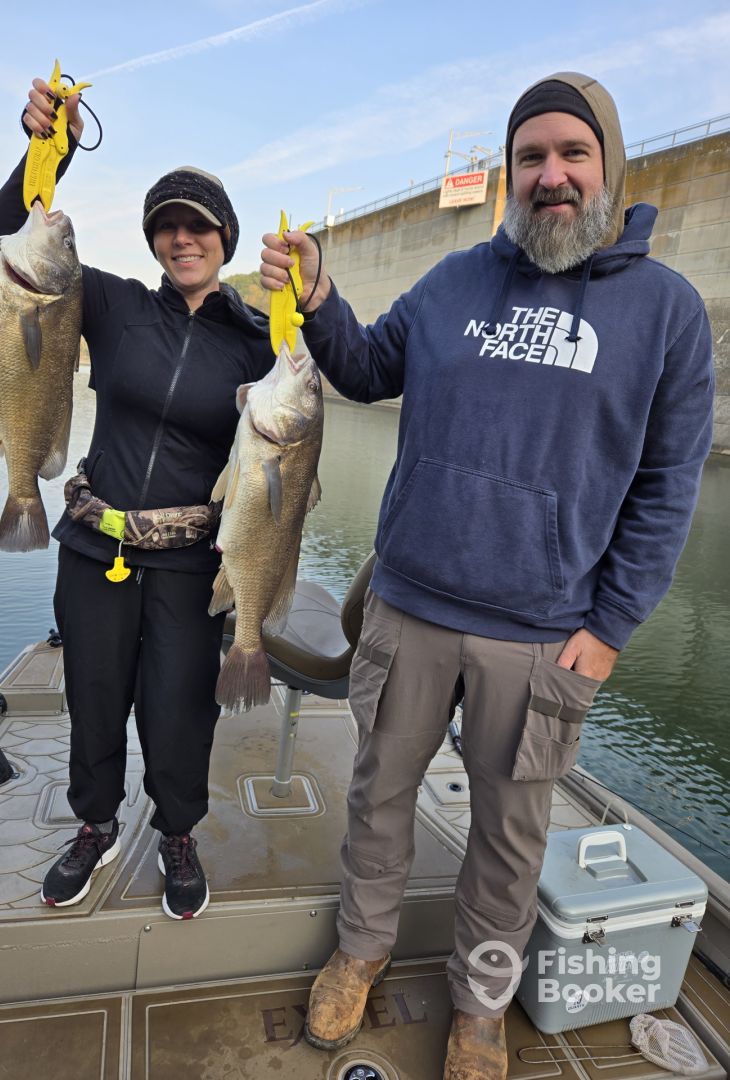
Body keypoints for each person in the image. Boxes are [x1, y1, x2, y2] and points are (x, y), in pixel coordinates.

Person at [261, 72, 714, 1078]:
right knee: (379, 798)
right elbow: (366, 368)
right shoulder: (453, 282)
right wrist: (319, 297)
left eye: (572, 153)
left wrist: (609, 629)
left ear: (610, 165)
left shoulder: (668, 312)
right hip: (409, 609)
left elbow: (667, 487)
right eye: (531, 156)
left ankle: (480, 1004)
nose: (552, 175)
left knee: (510, 840)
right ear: (509, 174)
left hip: (545, 635)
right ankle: (361, 949)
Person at [0, 78, 274, 920]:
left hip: (190, 565)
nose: (184, 238)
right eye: (168, 226)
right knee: (95, 697)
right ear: (153, 240)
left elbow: (304, 414)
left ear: (225, 238)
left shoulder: (256, 342)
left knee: (180, 711)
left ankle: (177, 833)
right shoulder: (109, 304)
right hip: (94, 545)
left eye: (199, 225)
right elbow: (4, 244)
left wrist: (305, 304)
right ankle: (96, 825)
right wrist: (49, 150)